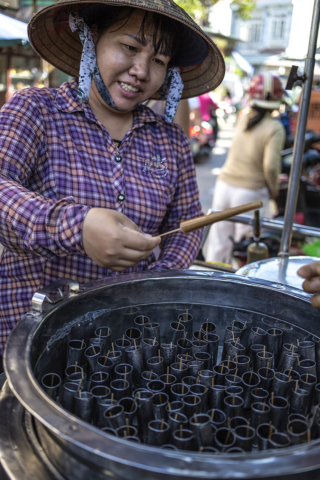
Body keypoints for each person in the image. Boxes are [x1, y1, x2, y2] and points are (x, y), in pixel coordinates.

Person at [0, 0, 225, 369]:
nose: (141, 71)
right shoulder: (35, 110)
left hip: (129, 345)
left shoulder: (169, 140)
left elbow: (186, 224)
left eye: (158, 61)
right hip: (33, 338)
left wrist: (153, 282)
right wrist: (78, 226)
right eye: (130, 47)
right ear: (92, 39)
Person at [204, 72, 286, 265]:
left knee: (218, 244)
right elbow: (271, 166)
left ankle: (209, 285)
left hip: (224, 186)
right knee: (244, 249)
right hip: (250, 193)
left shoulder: (243, 117)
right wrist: (274, 190)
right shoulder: (275, 127)